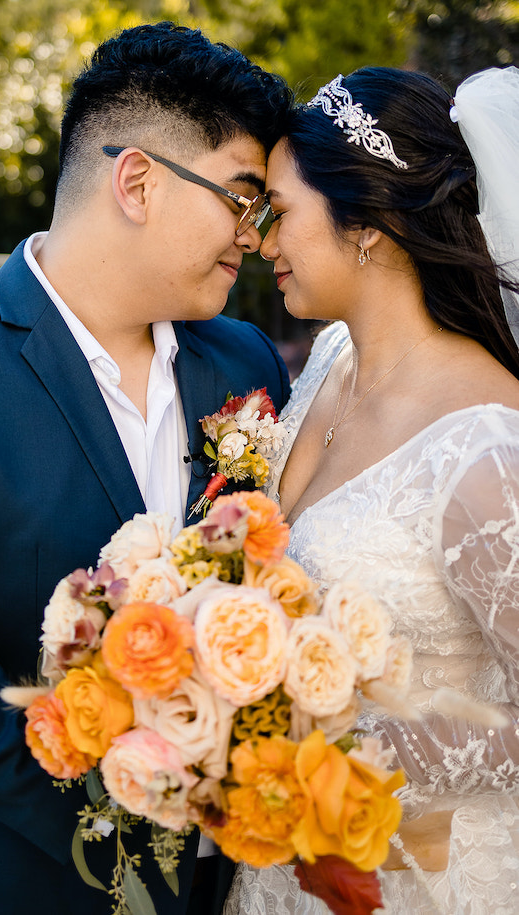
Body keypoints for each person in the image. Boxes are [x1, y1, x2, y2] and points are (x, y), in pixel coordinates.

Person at [0, 21, 292, 914]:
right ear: (138, 181)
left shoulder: (247, 363)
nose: (253, 235)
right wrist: (149, 783)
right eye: (242, 198)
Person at [223, 66, 519, 914]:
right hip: (282, 867)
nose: (262, 240)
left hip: (422, 876)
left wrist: (352, 756)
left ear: (367, 226)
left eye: (280, 209)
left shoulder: (487, 446)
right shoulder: (328, 364)